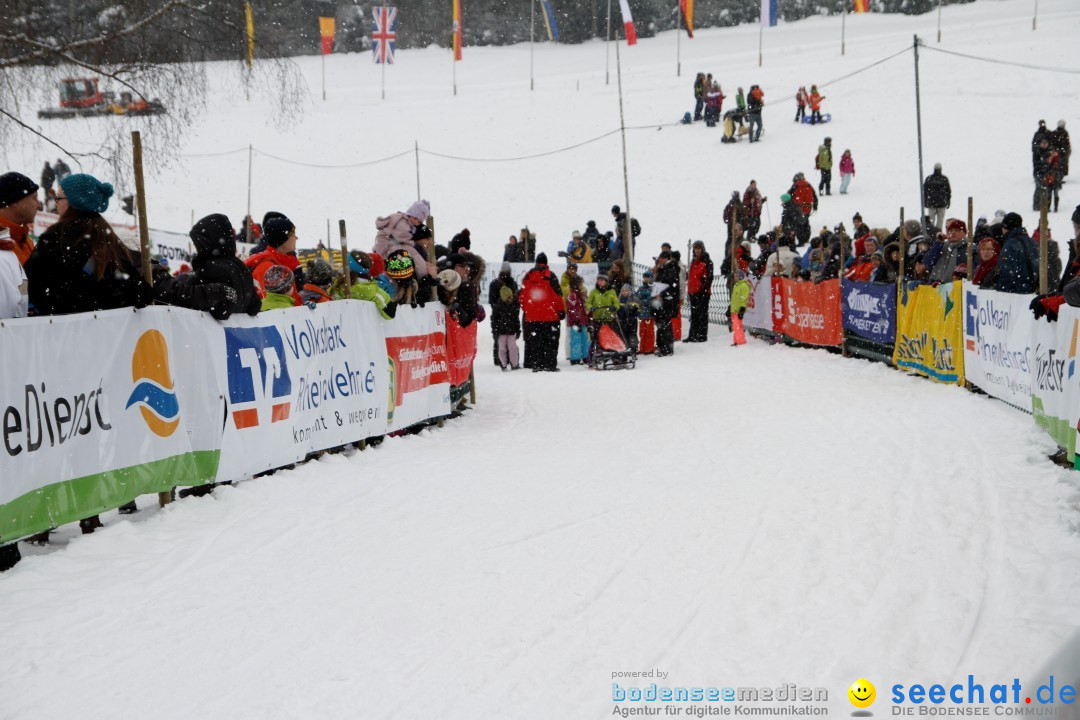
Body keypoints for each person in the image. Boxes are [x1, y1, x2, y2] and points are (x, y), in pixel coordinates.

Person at [25, 173, 151, 317]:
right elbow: (142, 295)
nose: (56, 202)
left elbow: (29, 285)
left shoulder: (56, 238)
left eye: (59, 198)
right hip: (105, 334)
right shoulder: (109, 240)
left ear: (74, 202)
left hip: (61, 332)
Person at [174, 213, 262, 320]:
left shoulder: (211, 269)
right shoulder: (241, 267)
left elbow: (219, 310)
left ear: (207, 243)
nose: (196, 248)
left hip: (211, 335)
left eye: (198, 243)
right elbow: (254, 306)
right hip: (237, 334)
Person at [520, 253, 565, 372]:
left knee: (536, 342)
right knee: (551, 342)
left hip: (533, 316)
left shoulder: (528, 276)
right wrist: (561, 311)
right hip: (550, 316)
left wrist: (527, 310)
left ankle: (537, 364)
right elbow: (557, 296)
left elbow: (522, 296)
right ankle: (550, 364)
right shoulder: (550, 276)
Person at [373, 199, 434, 278]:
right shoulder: (402, 223)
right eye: (418, 221)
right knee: (410, 253)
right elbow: (402, 237)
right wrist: (412, 244)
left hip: (386, 246)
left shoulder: (404, 222)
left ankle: (421, 274)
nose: (417, 224)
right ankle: (422, 275)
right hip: (385, 246)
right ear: (413, 216)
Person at [245, 216, 300, 302]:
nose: (296, 238)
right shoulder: (267, 268)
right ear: (282, 239)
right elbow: (271, 306)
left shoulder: (283, 262)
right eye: (293, 235)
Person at [0, 172, 39, 265]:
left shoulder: (23, 239)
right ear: (15, 201)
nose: (39, 205)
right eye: (34, 198)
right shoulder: (3, 243)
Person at [488, 263, 521, 370]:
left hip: (501, 316)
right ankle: (511, 362)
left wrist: (498, 309)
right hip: (507, 315)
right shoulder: (512, 283)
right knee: (510, 344)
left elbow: (491, 300)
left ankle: (501, 361)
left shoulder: (495, 283)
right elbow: (516, 299)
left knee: (501, 343)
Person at [995, 213, 1039, 294]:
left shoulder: (1010, 245)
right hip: (1033, 291)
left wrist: (1000, 290)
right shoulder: (1032, 242)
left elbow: (1006, 272)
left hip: (1016, 294)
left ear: (1005, 227)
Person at [923, 219, 969, 284]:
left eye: (956, 230)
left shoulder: (968, 248)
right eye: (950, 230)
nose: (953, 232)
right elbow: (927, 262)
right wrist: (938, 242)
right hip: (937, 286)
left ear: (964, 232)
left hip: (955, 287)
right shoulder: (943, 245)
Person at [686, 240, 714, 343]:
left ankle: (701, 335)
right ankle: (692, 334)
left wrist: (704, 290)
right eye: (695, 248)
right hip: (693, 291)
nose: (697, 250)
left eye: (698, 248)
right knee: (694, 314)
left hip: (702, 292)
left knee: (702, 314)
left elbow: (709, 278)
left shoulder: (707, 261)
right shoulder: (693, 261)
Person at [654, 251, 679, 356]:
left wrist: (662, 294)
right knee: (661, 324)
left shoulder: (671, 269)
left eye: (661, 258)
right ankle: (661, 346)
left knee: (665, 324)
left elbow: (672, 286)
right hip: (661, 301)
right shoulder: (663, 269)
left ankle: (667, 348)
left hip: (667, 302)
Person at [0, 227, 27, 319]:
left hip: (8, 328)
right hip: (15, 325)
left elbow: (5, 307)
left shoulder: (2, 257)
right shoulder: (8, 254)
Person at [563, 274, 589, 365]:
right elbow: (572, 310)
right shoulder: (572, 295)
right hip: (575, 323)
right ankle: (575, 358)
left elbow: (585, 307)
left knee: (584, 339)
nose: (582, 286)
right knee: (576, 340)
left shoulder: (581, 294)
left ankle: (586, 356)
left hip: (582, 322)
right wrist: (576, 321)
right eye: (581, 284)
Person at [923, 163, 951, 231]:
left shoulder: (929, 178)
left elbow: (924, 191)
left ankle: (932, 234)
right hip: (941, 204)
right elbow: (948, 192)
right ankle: (938, 234)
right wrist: (948, 202)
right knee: (940, 221)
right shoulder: (944, 179)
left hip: (931, 203)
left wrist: (925, 202)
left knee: (931, 221)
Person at [636, 270, 657, 355]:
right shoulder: (641, 288)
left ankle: (649, 347)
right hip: (642, 314)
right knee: (642, 332)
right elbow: (637, 297)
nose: (646, 279)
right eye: (645, 277)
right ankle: (643, 347)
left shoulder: (654, 288)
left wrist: (646, 300)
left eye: (647, 277)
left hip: (650, 314)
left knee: (649, 332)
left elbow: (653, 299)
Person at [729, 271, 751, 345]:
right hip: (734, 309)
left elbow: (744, 298)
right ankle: (736, 340)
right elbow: (734, 298)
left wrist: (742, 308)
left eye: (737, 276)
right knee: (735, 326)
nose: (735, 278)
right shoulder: (736, 285)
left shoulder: (744, 286)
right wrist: (730, 307)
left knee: (737, 326)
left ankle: (741, 341)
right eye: (735, 276)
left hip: (738, 309)